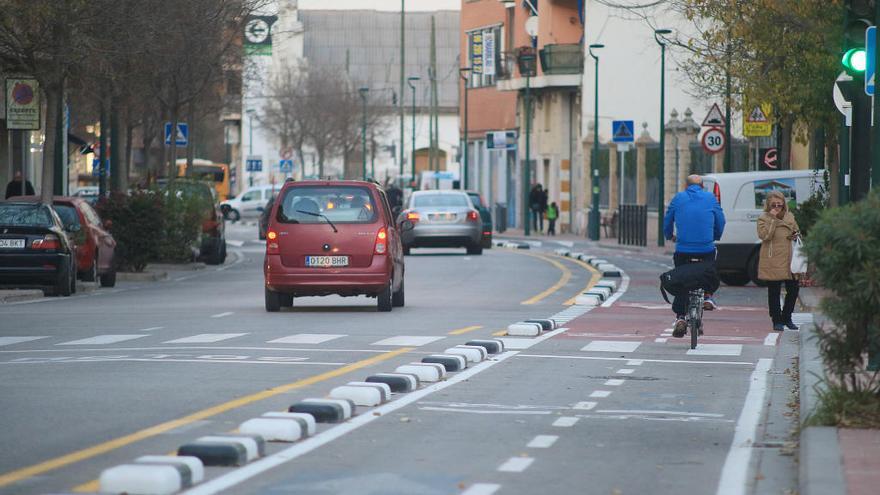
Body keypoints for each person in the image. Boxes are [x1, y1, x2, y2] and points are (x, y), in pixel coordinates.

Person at [663, 174, 726, 337]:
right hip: (706, 249)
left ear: (686, 186)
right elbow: (721, 220)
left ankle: (681, 317)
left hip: (683, 249)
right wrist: (715, 236)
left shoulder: (678, 198)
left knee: (682, 279)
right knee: (710, 268)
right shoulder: (710, 198)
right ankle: (708, 296)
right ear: (702, 186)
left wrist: (669, 235)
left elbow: (667, 220)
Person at [757, 191, 800, 332]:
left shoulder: (790, 216)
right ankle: (777, 320)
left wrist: (795, 235)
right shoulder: (763, 218)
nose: (777, 207)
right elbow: (765, 236)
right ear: (768, 205)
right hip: (772, 258)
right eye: (774, 204)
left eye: (780, 204)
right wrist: (773, 220)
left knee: (793, 289)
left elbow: (797, 231)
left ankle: (787, 317)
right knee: (774, 291)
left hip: (789, 258)